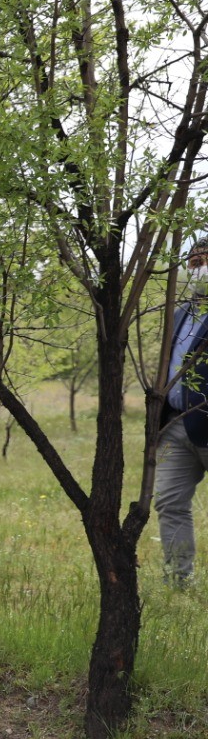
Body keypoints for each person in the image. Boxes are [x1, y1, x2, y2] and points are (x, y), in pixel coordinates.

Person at [155, 236, 208, 585]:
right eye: (193, 262)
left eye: (204, 261)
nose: (198, 268)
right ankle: (179, 580)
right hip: (176, 426)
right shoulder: (180, 314)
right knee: (169, 503)